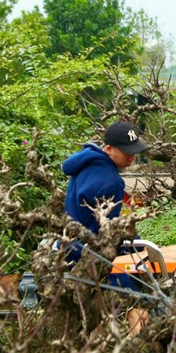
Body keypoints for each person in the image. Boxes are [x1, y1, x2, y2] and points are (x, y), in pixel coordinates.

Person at [63, 120, 150, 334]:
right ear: (109, 149)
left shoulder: (86, 163)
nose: (131, 157)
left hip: (66, 243)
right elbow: (108, 233)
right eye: (126, 152)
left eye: (134, 151)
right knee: (136, 298)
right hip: (87, 252)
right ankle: (138, 340)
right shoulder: (111, 180)